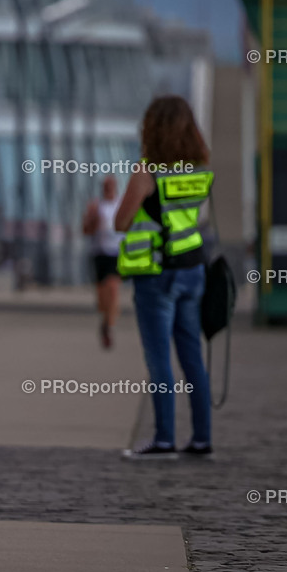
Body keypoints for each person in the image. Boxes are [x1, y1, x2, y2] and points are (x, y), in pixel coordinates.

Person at [115, 95, 214, 460]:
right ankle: (202, 439)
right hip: (193, 269)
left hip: (157, 274)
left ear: (152, 129)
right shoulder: (200, 169)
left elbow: (121, 222)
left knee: (159, 360)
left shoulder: (147, 172)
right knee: (193, 361)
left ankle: (164, 440)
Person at [82, 175, 124, 349]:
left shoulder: (121, 204)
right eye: (105, 186)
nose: (108, 189)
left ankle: (110, 325)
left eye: (111, 185)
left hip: (116, 253)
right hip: (99, 253)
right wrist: (92, 220)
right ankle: (105, 319)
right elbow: (86, 231)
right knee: (101, 295)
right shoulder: (96, 206)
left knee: (113, 288)